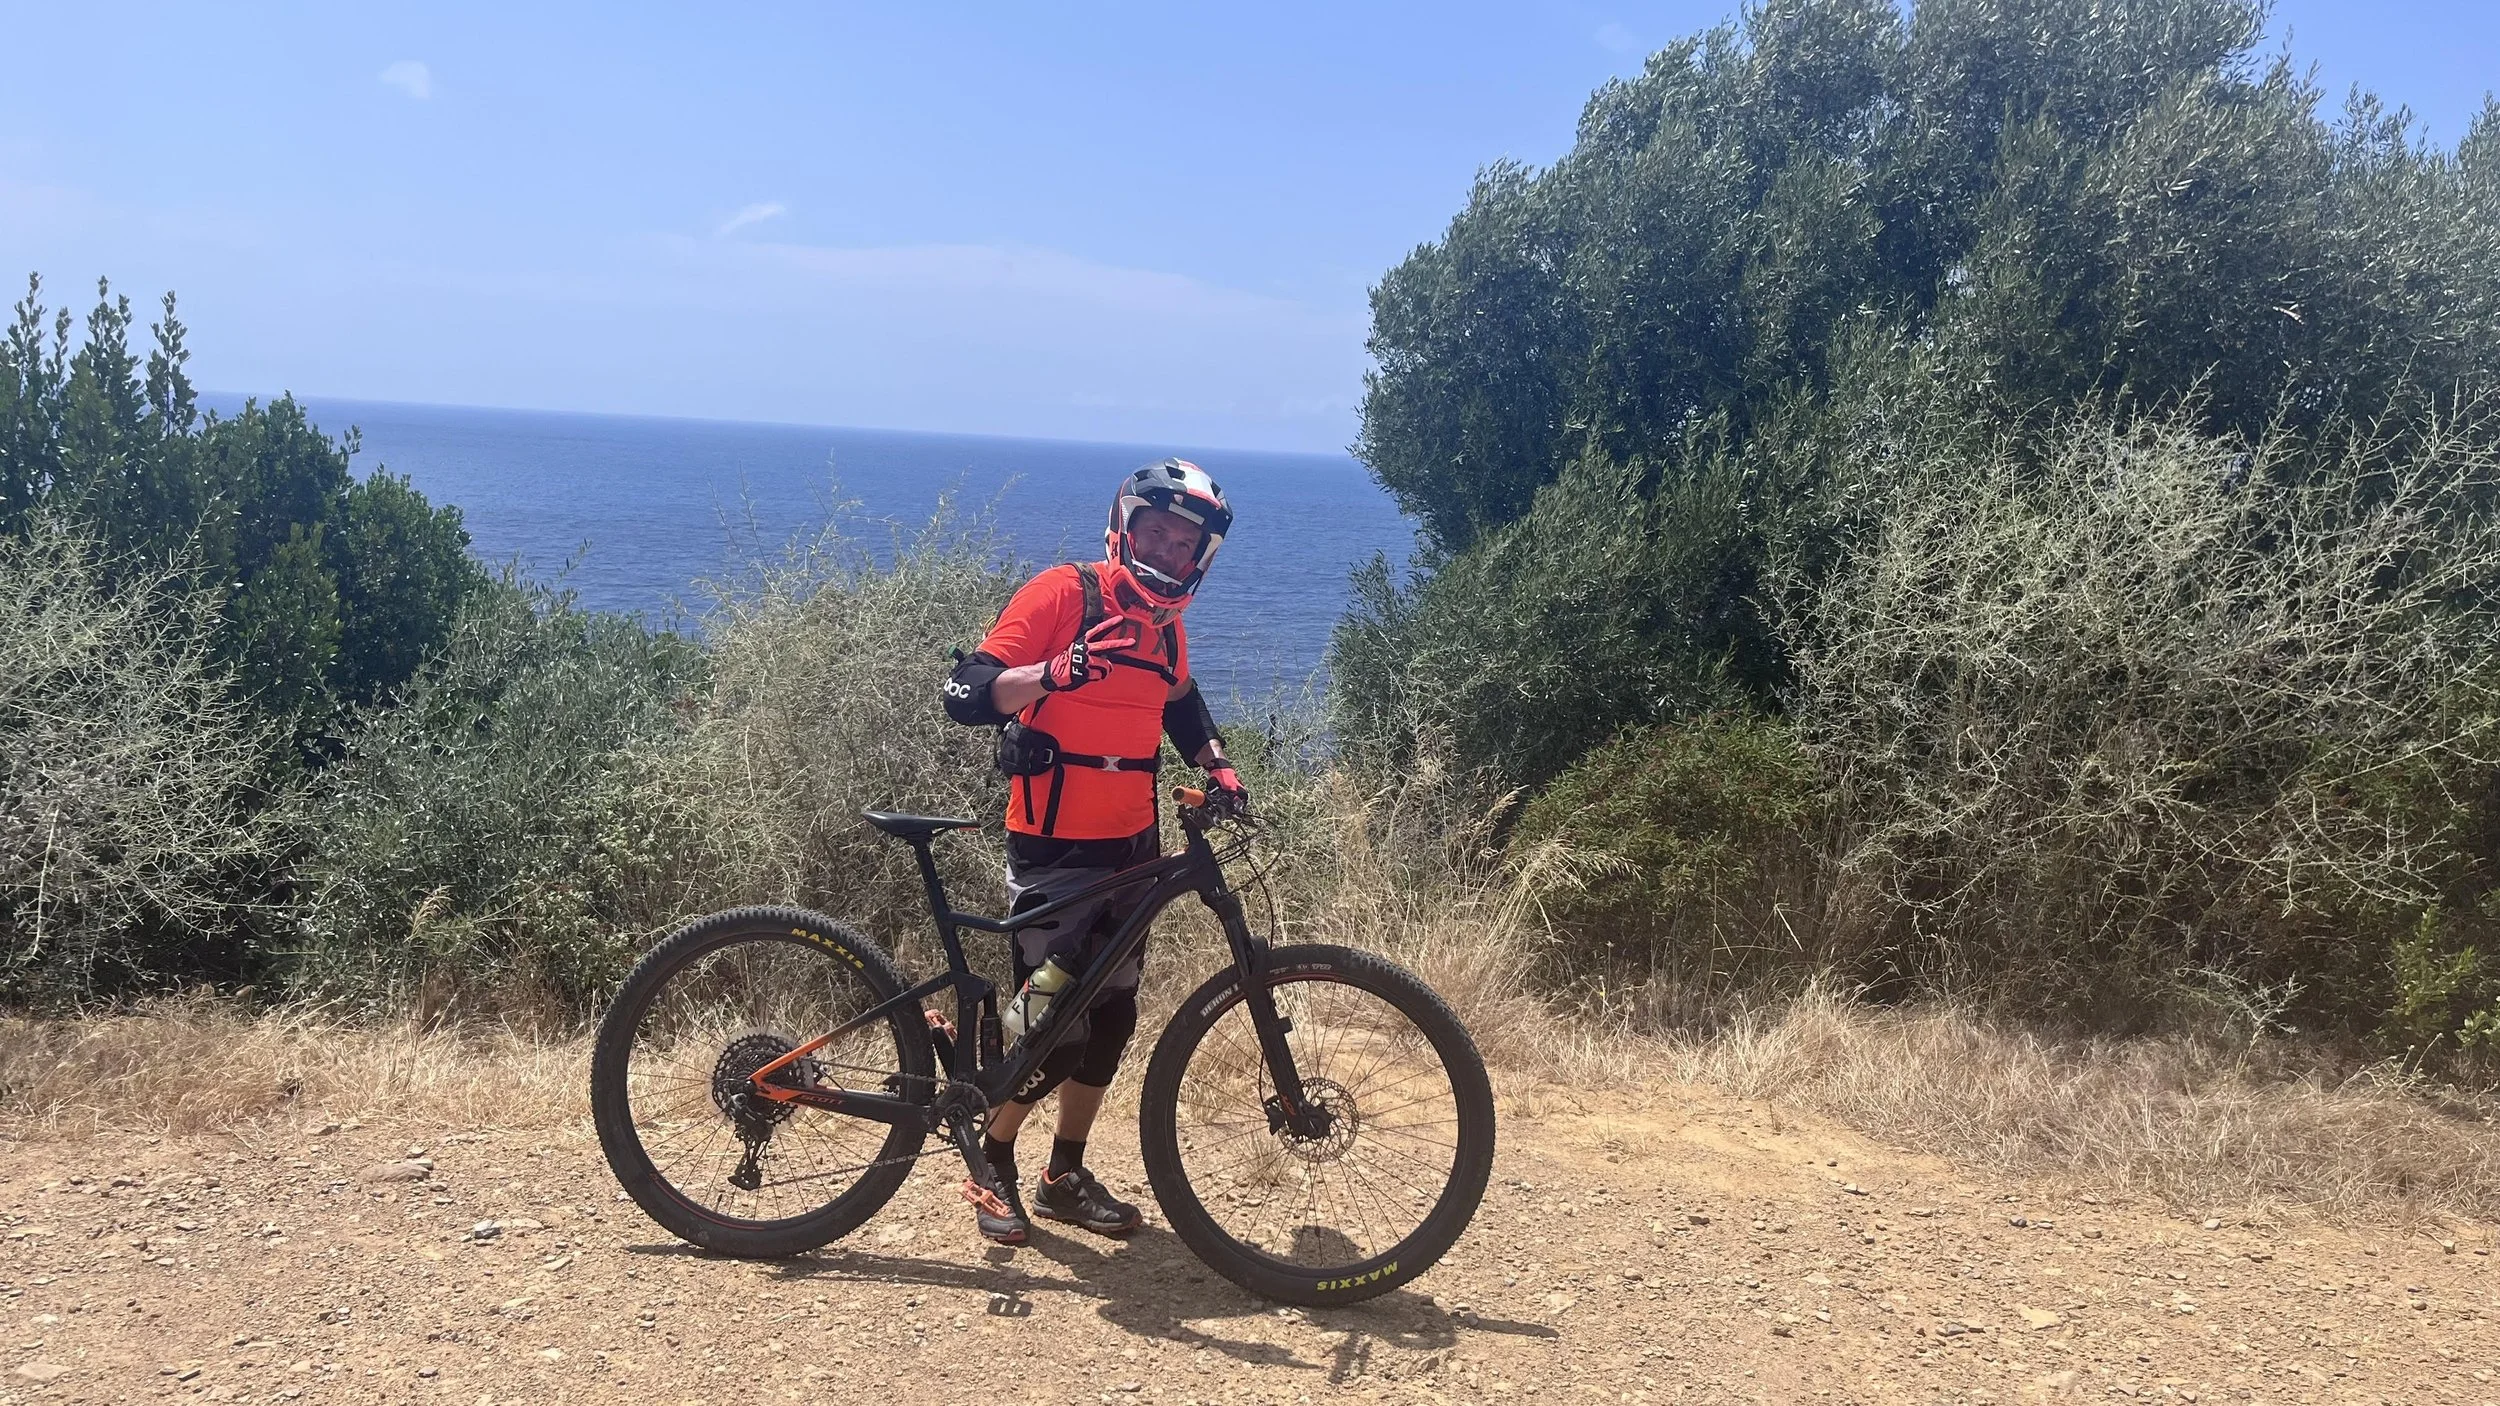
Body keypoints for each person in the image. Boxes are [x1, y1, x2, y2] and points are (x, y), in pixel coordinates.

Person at [939, 458, 1248, 1244]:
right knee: (1050, 1024)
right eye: (1158, 534)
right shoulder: (1063, 595)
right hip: (1053, 847)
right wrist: (1054, 672)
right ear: (1125, 526)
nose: (1171, 553)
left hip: (1132, 849)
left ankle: (1063, 1173)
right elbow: (967, 694)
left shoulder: (1165, 628)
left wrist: (1217, 765)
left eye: (1187, 545)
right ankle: (993, 1156)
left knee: (1111, 1017)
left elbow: (1181, 703)